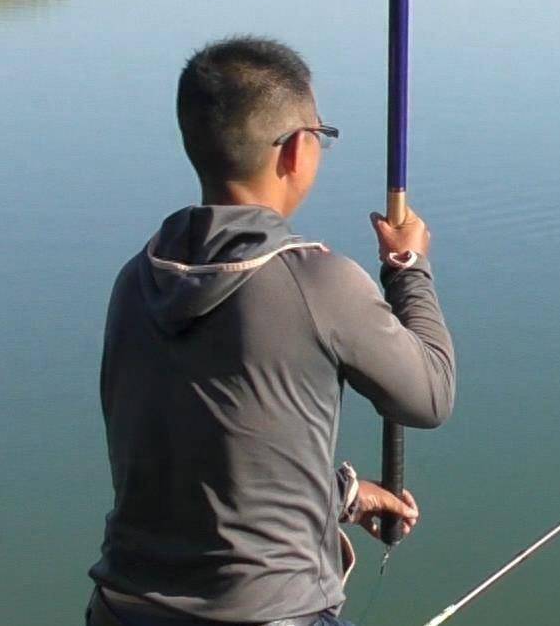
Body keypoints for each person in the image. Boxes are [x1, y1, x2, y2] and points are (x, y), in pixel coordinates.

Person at [87, 36, 456, 626]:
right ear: (294, 151)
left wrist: (347, 496)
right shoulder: (318, 283)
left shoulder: (138, 280)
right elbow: (431, 396)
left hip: (122, 608)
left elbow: (210, 451)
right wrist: (408, 270)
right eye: (320, 134)